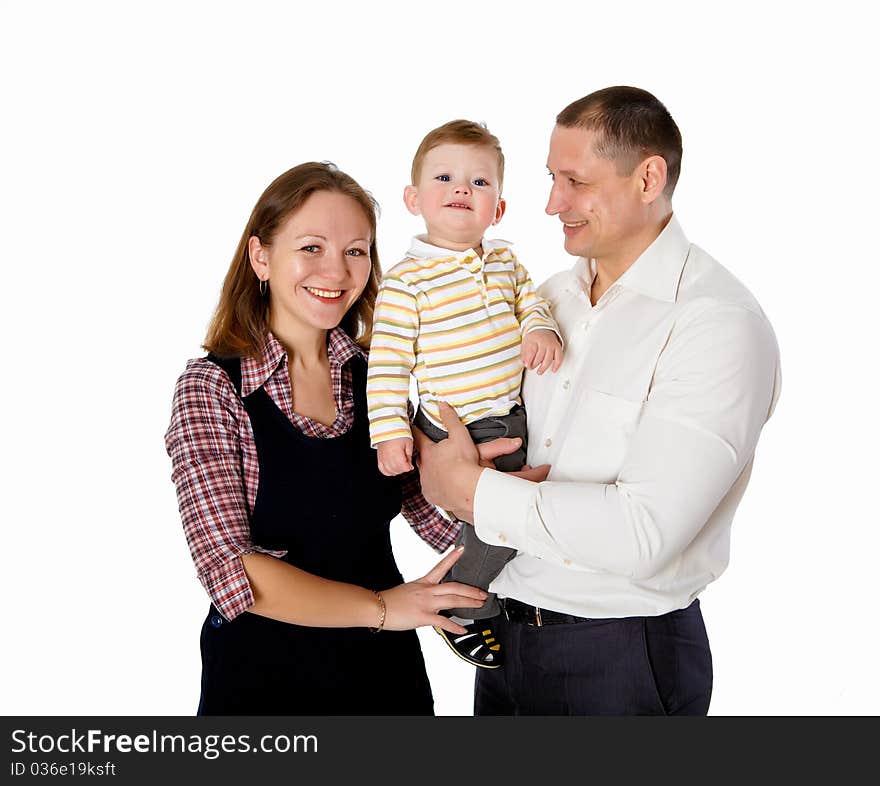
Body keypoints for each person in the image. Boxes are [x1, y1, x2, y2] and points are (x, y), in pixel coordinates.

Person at [414, 87, 782, 715]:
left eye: (574, 181)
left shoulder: (714, 325)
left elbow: (645, 535)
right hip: (504, 641)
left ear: (648, 177)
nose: (553, 203)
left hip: (621, 658)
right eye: (551, 179)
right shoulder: (546, 300)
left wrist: (469, 490)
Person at [164, 162, 491, 716]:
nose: (336, 271)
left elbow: (438, 521)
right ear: (260, 257)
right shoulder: (214, 388)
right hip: (263, 688)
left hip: (386, 683)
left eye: (356, 251)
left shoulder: (377, 379)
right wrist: (385, 607)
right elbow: (233, 573)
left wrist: (502, 496)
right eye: (311, 247)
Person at [366, 120, 563, 668]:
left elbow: (532, 305)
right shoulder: (407, 282)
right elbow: (386, 366)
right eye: (446, 177)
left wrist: (538, 329)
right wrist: (387, 433)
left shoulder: (506, 263)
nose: (461, 190)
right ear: (414, 198)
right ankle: (464, 606)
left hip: (509, 417)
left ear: (498, 208)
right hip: (454, 422)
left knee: (511, 517)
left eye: (479, 183)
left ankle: (481, 595)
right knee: (506, 520)